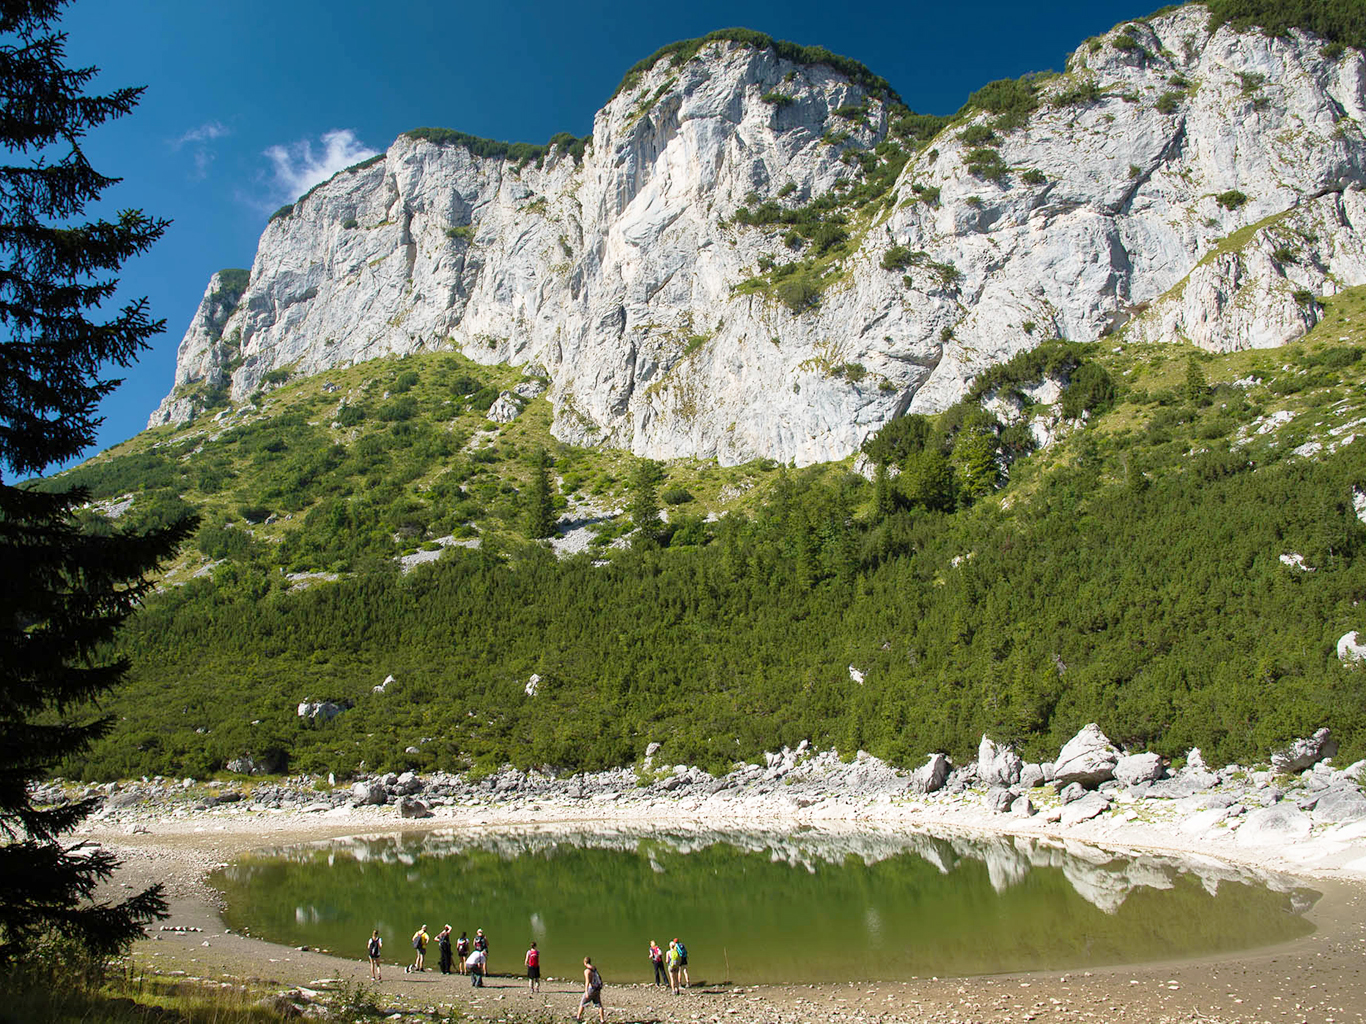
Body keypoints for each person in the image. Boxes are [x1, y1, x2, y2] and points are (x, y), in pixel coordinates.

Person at [575, 956, 605, 1022]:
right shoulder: (594, 968)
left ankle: (578, 1017)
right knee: (599, 1004)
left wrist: (586, 992)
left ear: (584, 962)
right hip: (597, 989)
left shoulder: (587, 971)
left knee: (582, 1003)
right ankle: (602, 1020)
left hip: (591, 988)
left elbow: (587, 982)